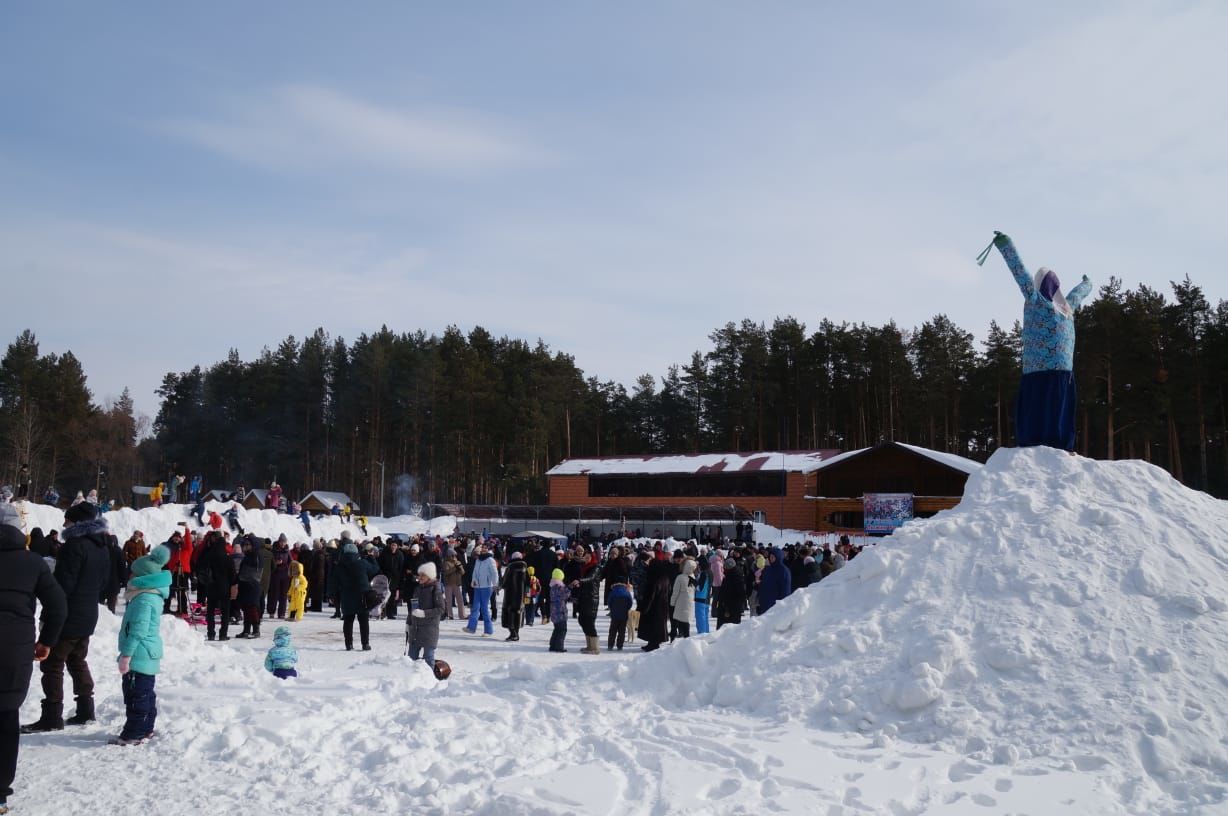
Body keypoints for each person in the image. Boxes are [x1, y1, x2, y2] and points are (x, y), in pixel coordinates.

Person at [985, 231, 1093, 450]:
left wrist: (1005, 245)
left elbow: (1019, 272)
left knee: (1036, 409)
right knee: (1057, 409)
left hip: (1035, 369)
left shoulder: (1035, 300)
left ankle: (1032, 442)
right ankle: (1060, 445)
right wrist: (1088, 283)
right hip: (1062, 371)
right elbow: (1078, 293)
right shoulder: (1067, 308)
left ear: (1038, 285)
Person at [1, 503, 67, 814]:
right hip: (14, 649)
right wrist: (46, 642)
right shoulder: (33, 563)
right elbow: (58, 606)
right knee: (5, 715)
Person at [23, 501, 110, 733]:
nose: (64, 524)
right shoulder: (102, 546)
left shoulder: (74, 545)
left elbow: (63, 587)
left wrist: (50, 607)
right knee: (77, 659)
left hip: (68, 615)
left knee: (52, 664)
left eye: (68, 520)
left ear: (78, 522)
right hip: (88, 614)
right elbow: (103, 581)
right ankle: (85, 710)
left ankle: (52, 715)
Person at [111, 545, 170, 745]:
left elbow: (138, 630)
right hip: (145, 652)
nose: (130, 576)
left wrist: (126, 655)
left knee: (137, 696)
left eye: (133, 572)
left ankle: (134, 733)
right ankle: (145, 728)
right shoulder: (146, 596)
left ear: (142, 576)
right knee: (144, 694)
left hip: (139, 653)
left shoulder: (144, 599)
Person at [336, 541, 378, 651]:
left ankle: (348, 645)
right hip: (362, 596)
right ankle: (365, 644)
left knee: (348, 621)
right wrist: (371, 557)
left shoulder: (340, 565)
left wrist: (332, 594)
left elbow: (333, 581)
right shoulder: (362, 563)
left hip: (346, 596)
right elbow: (375, 569)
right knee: (363, 621)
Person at [406, 562, 444, 665]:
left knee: (428, 658)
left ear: (430, 576)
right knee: (411, 658)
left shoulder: (435, 589)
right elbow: (413, 608)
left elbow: (441, 609)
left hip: (429, 629)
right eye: (420, 574)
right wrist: (408, 622)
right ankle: (410, 679)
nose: (420, 577)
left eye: (423, 575)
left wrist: (424, 613)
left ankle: (430, 679)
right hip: (415, 628)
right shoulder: (418, 589)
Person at [202, 532, 236, 641]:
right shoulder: (228, 558)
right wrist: (232, 584)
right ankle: (223, 634)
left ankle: (210, 633)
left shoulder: (209, 556)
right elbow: (233, 575)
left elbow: (202, 569)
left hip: (211, 587)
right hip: (224, 588)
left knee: (210, 611)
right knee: (225, 612)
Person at [464, 543, 498, 636]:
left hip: (486, 587)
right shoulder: (478, 560)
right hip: (477, 587)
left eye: (486, 548)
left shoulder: (490, 560)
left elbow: (494, 573)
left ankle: (488, 630)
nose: (483, 549)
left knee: (484, 609)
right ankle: (471, 628)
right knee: (475, 608)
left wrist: (495, 584)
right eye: (483, 548)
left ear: (489, 549)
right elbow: (475, 572)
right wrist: (474, 580)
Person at [235, 538, 263, 639]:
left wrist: (241, 577)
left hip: (252, 585)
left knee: (252, 607)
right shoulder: (247, 556)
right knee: (246, 607)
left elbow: (255, 573)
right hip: (245, 585)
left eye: (248, 545)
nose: (245, 547)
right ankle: (246, 630)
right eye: (245, 545)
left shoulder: (256, 556)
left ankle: (256, 630)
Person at [500, 552, 527, 642]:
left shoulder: (510, 567)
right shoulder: (525, 567)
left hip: (510, 594)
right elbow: (527, 581)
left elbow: (504, 581)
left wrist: (502, 585)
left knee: (510, 612)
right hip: (521, 595)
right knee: (518, 612)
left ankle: (513, 634)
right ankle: (516, 633)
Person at [757, 547, 791, 615]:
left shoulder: (784, 570)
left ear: (778, 557)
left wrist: (783, 604)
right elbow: (764, 583)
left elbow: (786, 590)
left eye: (773, 557)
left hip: (775, 604)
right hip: (765, 602)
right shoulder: (768, 568)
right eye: (770, 557)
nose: (771, 559)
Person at [670, 558, 696, 641]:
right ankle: (687, 640)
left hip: (679, 603)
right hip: (689, 603)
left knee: (675, 622)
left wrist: (672, 603)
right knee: (686, 622)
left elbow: (675, 592)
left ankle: (672, 640)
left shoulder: (680, 577)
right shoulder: (693, 577)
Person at [716, 557, 747, 629]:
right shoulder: (730, 575)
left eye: (725, 568)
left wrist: (727, 606)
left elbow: (740, 594)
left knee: (728, 629)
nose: (723, 570)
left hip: (730, 609)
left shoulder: (735, 577)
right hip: (727, 607)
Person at [378, 540, 404, 620]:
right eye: (392, 545)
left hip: (395, 578)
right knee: (384, 596)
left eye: (395, 545)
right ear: (390, 546)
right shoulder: (385, 554)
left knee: (392, 596)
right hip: (386, 577)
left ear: (397, 546)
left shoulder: (400, 555)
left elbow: (401, 567)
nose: (393, 547)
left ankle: (390, 613)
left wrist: (400, 578)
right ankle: (383, 612)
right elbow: (380, 564)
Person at [547, 569, 570, 653]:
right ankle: (559, 646)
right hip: (560, 611)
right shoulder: (559, 586)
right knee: (562, 630)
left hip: (554, 611)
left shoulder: (552, 586)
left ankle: (553, 645)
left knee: (557, 629)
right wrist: (570, 588)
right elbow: (565, 594)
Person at [441, 548, 466, 620]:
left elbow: (463, 572)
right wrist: (455, 568)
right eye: (453, 555)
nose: (454, 557)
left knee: (460, 600)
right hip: (448, 584)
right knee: (449, 600)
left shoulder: (457, 561)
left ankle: (462, 615)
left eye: (455, 555)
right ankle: (450, 615)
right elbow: (446, 572)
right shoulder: (446, 562)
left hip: (457, 583)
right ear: (450, 555)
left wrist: (460, 567)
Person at [607, 582, 632, 651]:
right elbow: (630, 603)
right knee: (622, 631)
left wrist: (611, 609)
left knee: (612, 631)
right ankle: (620, 646)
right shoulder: (627, 592)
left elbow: (609, 602)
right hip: (624, 615)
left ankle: (610, 645)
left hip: (614, 615)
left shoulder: (612, 592)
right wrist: (626, 609)